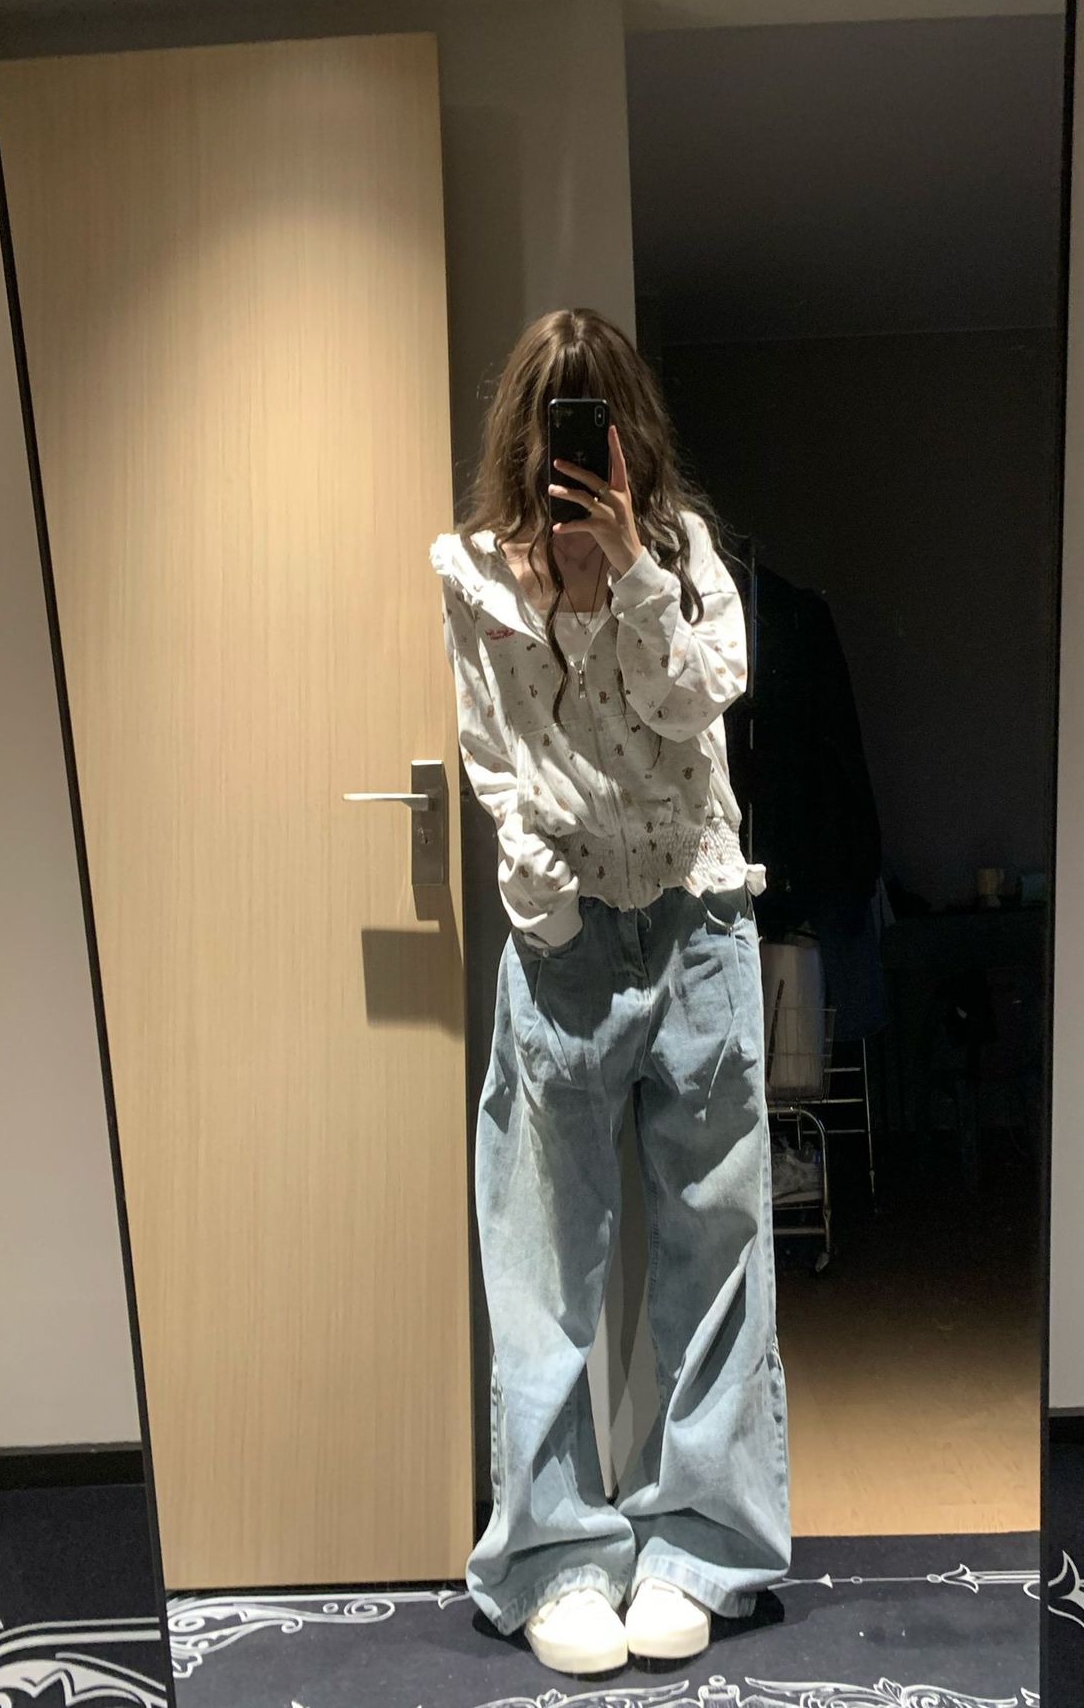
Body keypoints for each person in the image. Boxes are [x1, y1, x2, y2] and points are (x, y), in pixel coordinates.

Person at [430, 308, 791, 1677]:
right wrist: (540, 898)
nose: (572, 450)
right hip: (567, 937)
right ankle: (556, 1557)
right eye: (554, 421)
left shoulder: (683, 559)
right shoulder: (475, 576)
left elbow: (701, 703)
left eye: (597, 423)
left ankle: (700, 1545)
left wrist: (633, 566)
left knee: (716, 1247)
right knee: (540, 1262)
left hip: (696, 917)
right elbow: (493, 753)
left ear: (630, 433)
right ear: (522, 432)